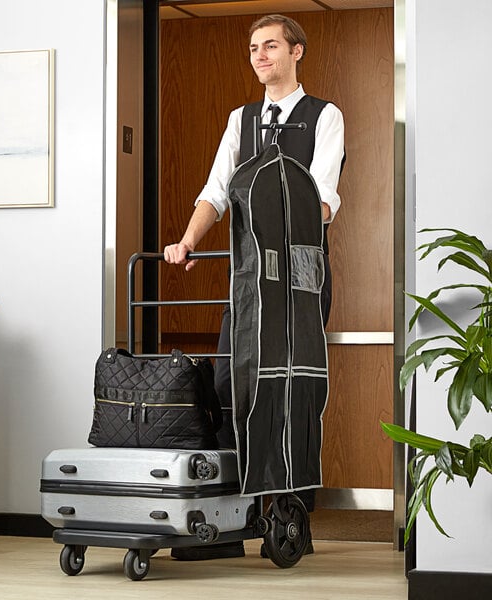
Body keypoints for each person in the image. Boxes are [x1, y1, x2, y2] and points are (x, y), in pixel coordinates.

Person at [164, 14, 345, 560]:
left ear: (297, 52)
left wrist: (279, 219)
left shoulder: (324, 116)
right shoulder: (241, 119)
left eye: (270, 46)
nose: (259, 55)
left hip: (300, 279)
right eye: (252, 48)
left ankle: (291, 519)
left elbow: (324, 201)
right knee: (227, 385)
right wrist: (188, 240)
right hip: (247, 282)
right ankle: (226, 520)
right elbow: (216, 191)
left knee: (292, 392)